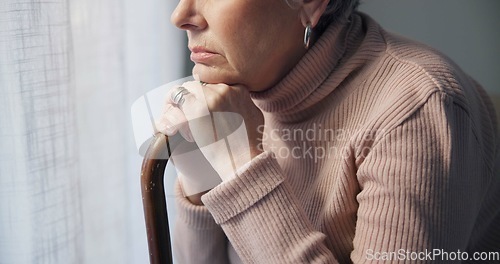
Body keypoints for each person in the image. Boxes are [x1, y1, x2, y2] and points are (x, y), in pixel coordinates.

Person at [156, 0, 500, 262]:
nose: (180, 15)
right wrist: (200, 178)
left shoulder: (418, 109)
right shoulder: (240, 86)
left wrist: (242, 171)